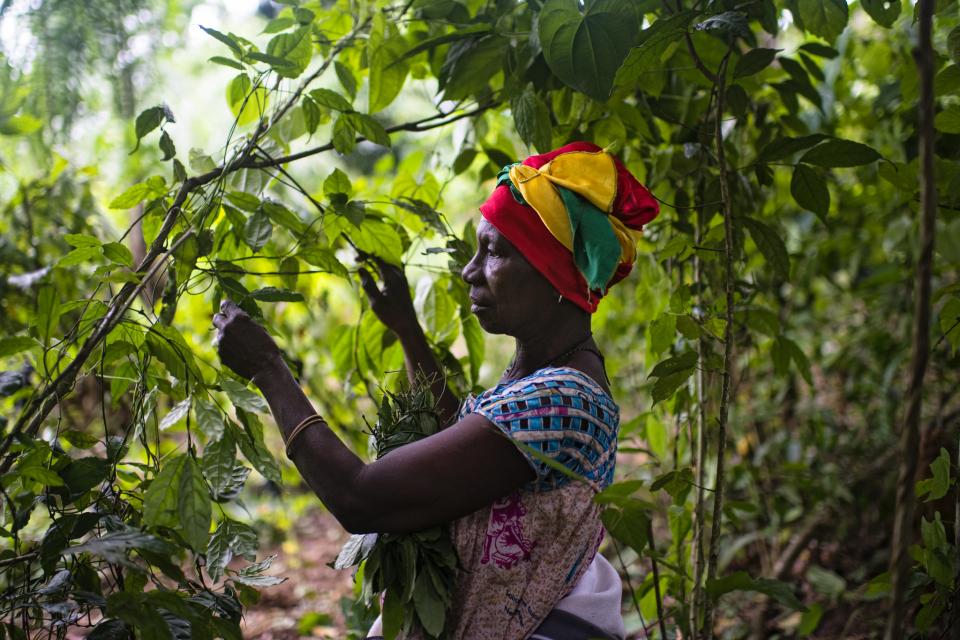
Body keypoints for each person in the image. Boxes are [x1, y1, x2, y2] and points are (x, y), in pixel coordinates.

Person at [212, 141, 659, 639]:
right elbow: (465, 446)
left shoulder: (564, 401)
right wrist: (406, 326)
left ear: (555, 276)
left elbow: (362, 499)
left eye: (495, 252)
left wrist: (270, 372)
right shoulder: (546, 377)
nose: (470, 271)